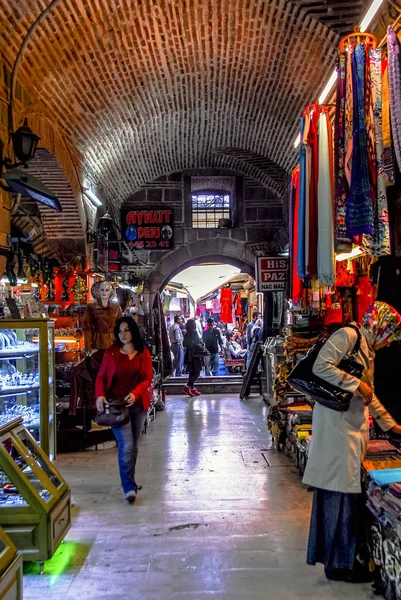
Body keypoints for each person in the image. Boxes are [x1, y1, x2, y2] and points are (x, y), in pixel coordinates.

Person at [303, 301, 401, 583]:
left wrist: (387, 422)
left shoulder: (366, 349)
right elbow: (322, 366)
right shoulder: (348, 336)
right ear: (379, 326)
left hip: (349, 430)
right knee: (339, 495)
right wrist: (356, 384)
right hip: (336, 430)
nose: (388, 342)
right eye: (388, 335)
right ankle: (338, 565)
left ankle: (343, 560)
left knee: (344, 496)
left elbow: (368, 394)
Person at [95, 316, 153, 504]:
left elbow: (147, 378)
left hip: (138, 406)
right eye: (120, 331)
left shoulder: (143, 353)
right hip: (117, 408)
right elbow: (101, 377)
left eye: (126, 330)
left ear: (133, 331)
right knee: (126, 445)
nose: (123, 334)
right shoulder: (111, 353)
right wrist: (100, 395)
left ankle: (131, 481)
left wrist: (135, 394)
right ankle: (128, 487)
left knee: (134, 446)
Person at [182, 318, 204, 397]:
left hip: (188, 355)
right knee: (197, 372)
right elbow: (198, 342)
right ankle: (187, 386)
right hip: (195, 355)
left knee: (192, 372)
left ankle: (192, 388)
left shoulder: (186, 334)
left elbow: (184, 344)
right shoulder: (194, 333)